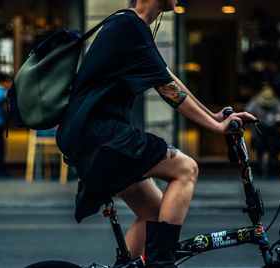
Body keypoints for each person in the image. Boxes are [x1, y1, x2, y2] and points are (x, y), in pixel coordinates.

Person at [56, 1, 256, 267]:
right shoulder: (128, 25)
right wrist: (216, 127)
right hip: (99, 134)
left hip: (92, 136)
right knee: (185, 168)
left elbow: (169, 79)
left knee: (153, 211)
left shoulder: (133, 26)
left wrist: (214, 116)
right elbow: (168, 89)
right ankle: (161, 263)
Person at [245, 83, 280, 175]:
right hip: (258, 134)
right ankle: (260, 165)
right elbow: (247, 112)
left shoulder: (277, 102)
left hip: (273, 133)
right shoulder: (255, 102)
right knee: (262, 142)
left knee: (275, 141)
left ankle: (273, 165)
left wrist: (278, 117)